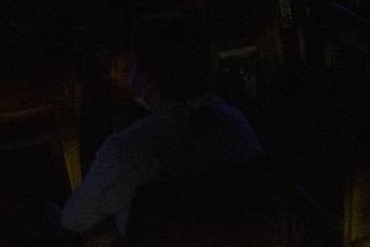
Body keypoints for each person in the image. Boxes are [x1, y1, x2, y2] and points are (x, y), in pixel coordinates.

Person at [61, 15, 262, 239]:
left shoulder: (126, 151)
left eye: (132, 65)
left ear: (146, 77)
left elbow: (73, 219)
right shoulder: (236, 124)